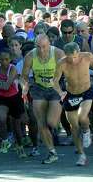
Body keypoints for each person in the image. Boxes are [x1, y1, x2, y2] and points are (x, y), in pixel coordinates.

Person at [53, 42, 93, 166]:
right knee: (74, 127)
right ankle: (82, 155)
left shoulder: (87, 56)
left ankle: (87, 131)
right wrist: (60, 92)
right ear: (66, 55)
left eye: (75, 56)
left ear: (79, 52)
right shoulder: (62, 63)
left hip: (86, 91)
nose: (73, 59)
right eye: (70, 57)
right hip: (70, 94)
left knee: (82, 117)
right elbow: (55, 81)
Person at [22, 34, 65, 164]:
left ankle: (56, 124)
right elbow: (24, 76)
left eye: (44, 47)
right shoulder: (30, 56)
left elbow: (69, 70)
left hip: (55, 89)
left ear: (49, 44)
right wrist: (25, 86)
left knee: (51, 122)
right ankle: (52, 152)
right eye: (38, 47)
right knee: (41, 123)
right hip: (39, 88)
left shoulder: (58, 53)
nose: (41, 50)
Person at [0, 48, 26, 158]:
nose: (4, 62)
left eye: (6, 59)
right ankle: (5, 140)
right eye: (1, 60)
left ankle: (20, 147)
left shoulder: (13, 69)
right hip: (1, 98)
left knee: (16, 126)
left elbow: (7, 86)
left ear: (10, 59)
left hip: (14, 98)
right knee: (1, 119)